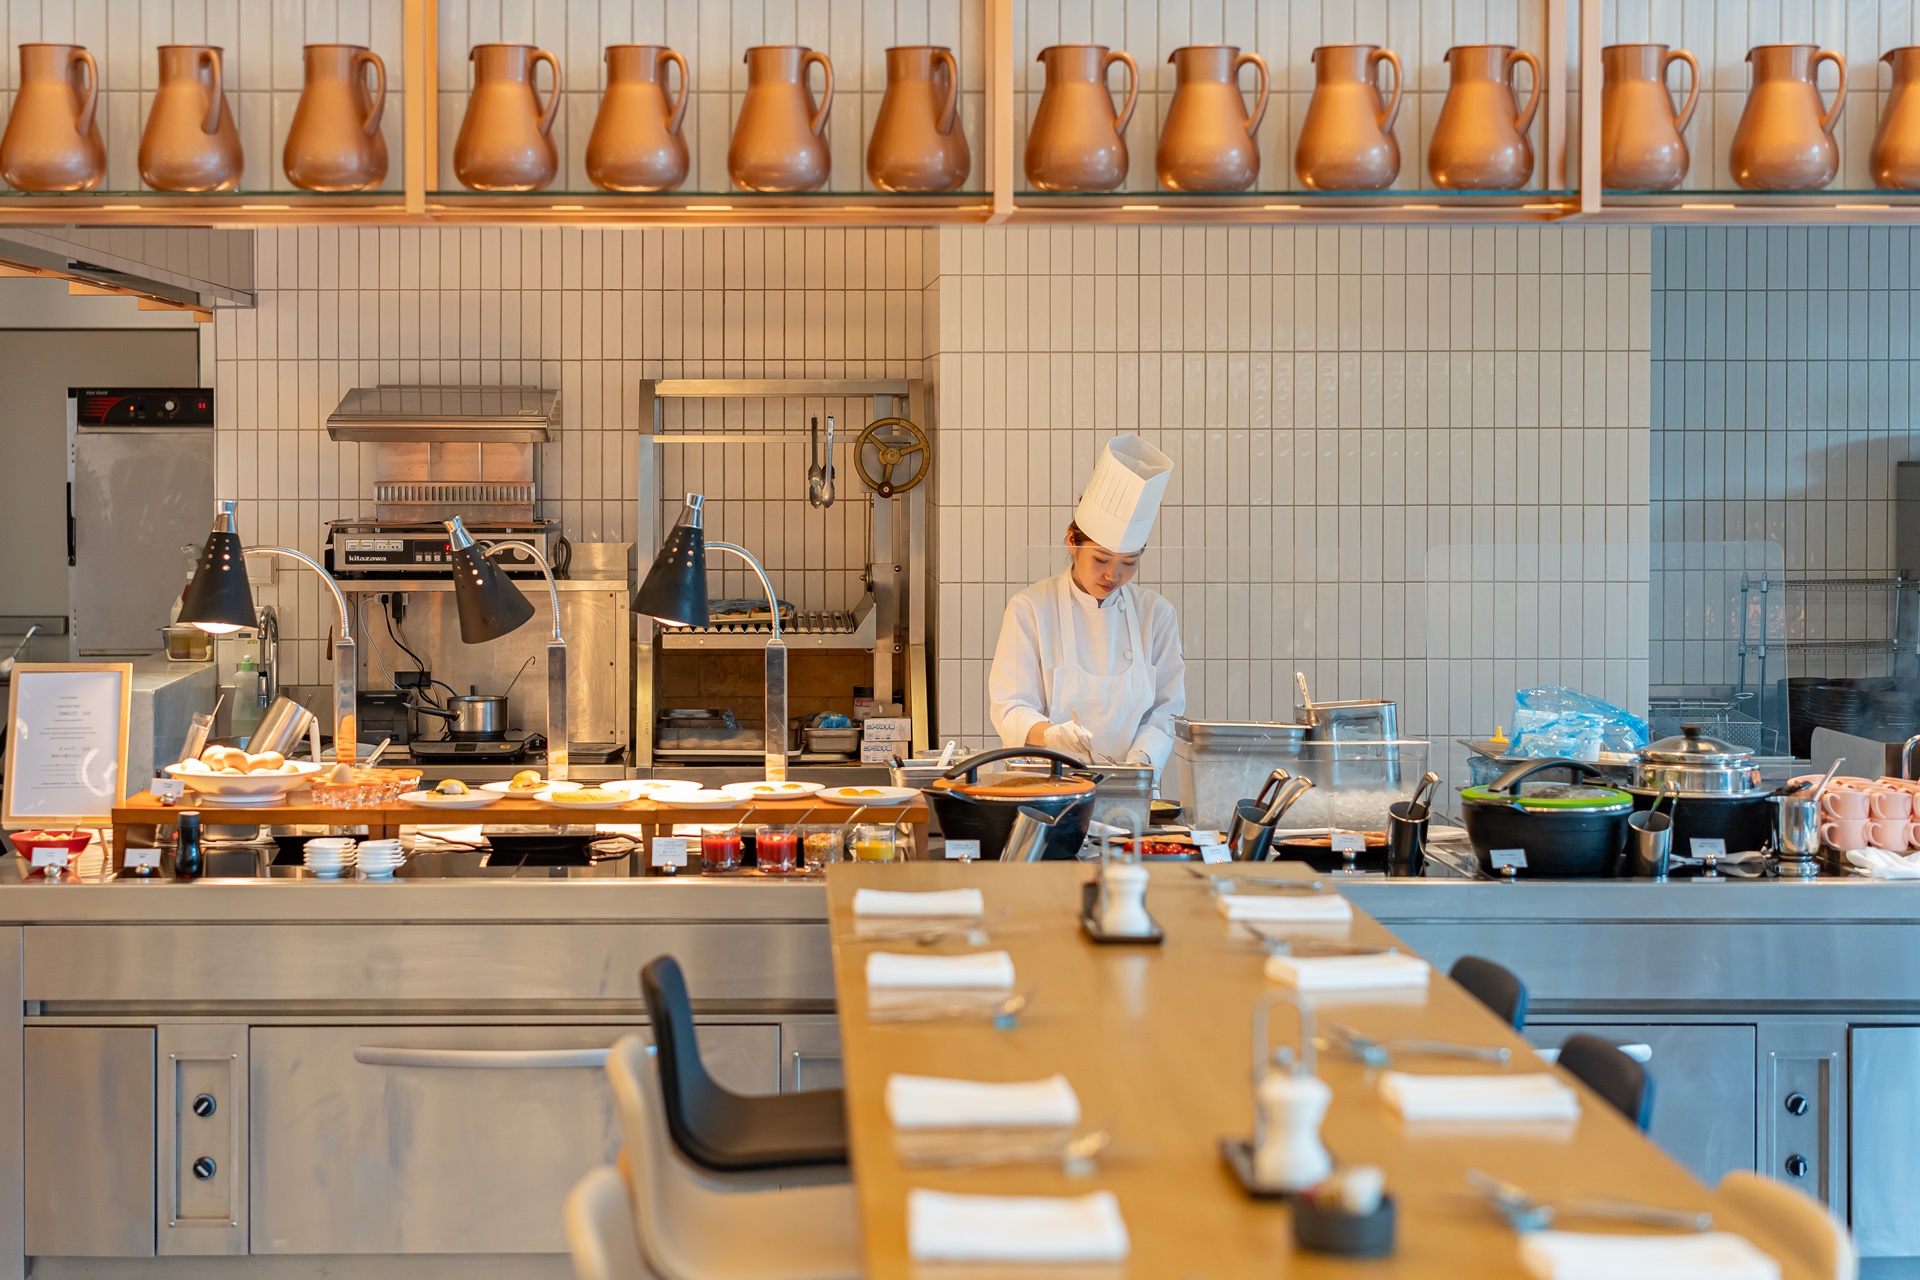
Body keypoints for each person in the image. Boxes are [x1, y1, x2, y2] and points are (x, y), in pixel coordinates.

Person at [988, 434, 1185, 771]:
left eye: (1129, 563)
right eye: (1101, 559)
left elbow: (1167, 711)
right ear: (1072, 542)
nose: (1113, 575)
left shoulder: (1157, 614)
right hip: (1049, 784)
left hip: (1131, 785)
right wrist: (1051, 735)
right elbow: (1010, 707)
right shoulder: (1030, 609)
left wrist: (1140, 761)